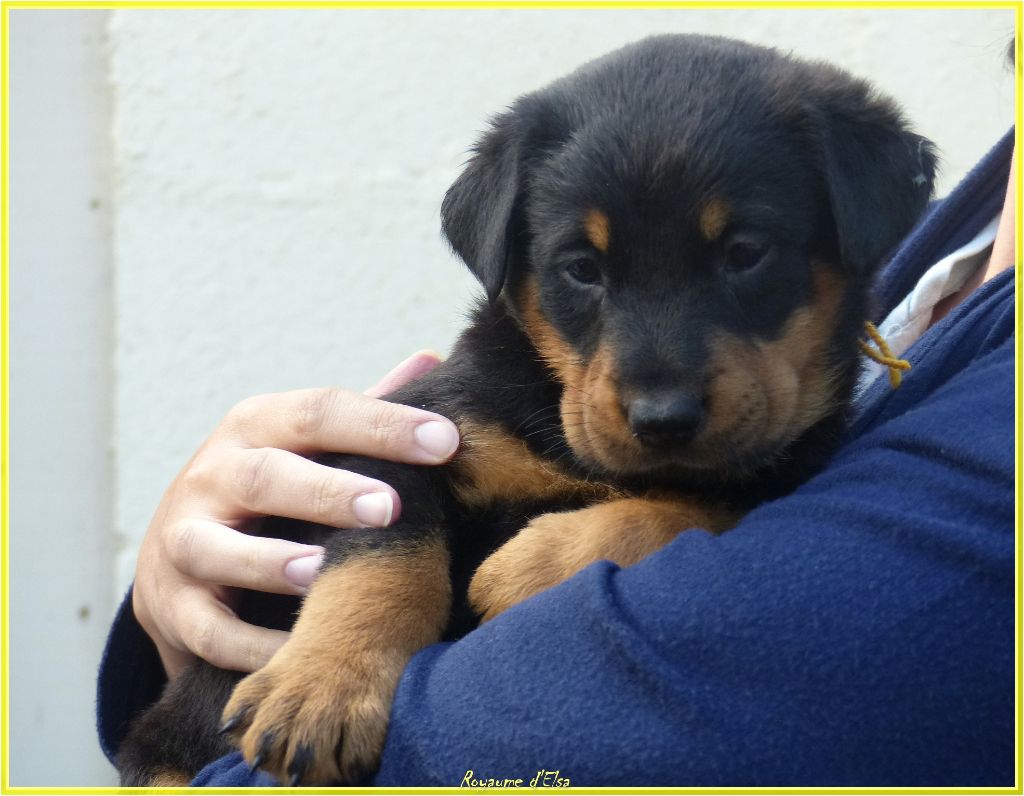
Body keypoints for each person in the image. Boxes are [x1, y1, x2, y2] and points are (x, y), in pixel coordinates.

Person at [98, 114, 1016, 786]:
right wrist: (184, 594)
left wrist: (656, 526)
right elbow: (390, 475)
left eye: (741, 255)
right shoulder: (936, 265)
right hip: (194, 739)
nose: (657, 392)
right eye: (583, 271)